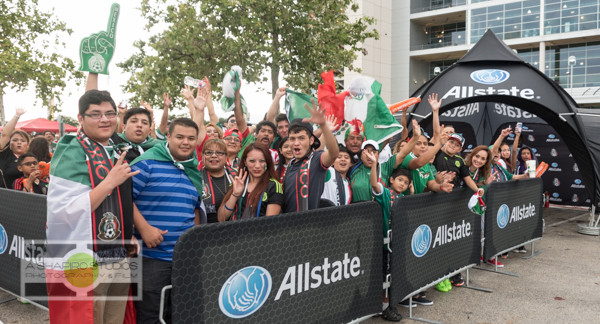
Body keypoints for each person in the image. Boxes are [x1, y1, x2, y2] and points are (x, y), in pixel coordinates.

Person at [46, 89, 139, 324]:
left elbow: (123, 200)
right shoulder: (72, 150)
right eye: (95, 114)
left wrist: (127, 233)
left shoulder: (117, 149)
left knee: (114, 319)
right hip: (89, 257)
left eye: (110, 113)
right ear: (80, 118)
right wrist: (109, 182)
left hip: (118, 253)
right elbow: (64, 212)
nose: (105, 119)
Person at [131, 117, 205, 323]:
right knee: (151, 316)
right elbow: (121, 198)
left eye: (191, 138)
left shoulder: (193, 170)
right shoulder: (146, 163)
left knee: (182, 315)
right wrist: (144, 228)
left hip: (184, 259)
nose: (185, 142)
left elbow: (194, 210)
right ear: (169, 137)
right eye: (180, 137)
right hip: (151, 258)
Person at [218, 143, 283, 220]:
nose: (257, 166)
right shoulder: (237, 182)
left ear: (268, 163)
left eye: (262, 161)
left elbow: (270, 223)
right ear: (245, 162)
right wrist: (235, 195)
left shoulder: (274, 186)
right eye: (252, 161)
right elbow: (221, 219)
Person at [201, 139, 232, 223]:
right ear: (203, 156)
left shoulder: (236, 176)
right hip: (205, 230)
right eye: (209, 152)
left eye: (219, 153)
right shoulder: (196, 178)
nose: (214, 155)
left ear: (226, 157)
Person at [0, 108, 28, 189]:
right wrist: (17, 115)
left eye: (22, 140)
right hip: (6, 196)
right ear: (9, 143)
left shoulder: (31, 158)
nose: (19, 142)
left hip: (28, 197)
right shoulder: (5, 155)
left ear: (28, 144)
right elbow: (5, 134)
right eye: (15, 140)